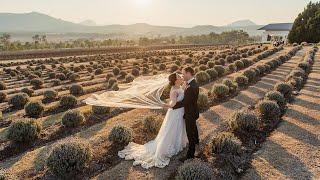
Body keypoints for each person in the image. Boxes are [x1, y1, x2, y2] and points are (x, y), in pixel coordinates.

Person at [117, 73, 188, 169]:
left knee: (177, 128)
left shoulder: (179, 87)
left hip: (179, 112)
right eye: (179, 77)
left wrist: (185, 87)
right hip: (175, 113)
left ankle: (177, 144)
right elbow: (173, 104)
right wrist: (163, 105)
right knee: (172, 130)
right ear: (175, 81)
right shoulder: (174, 90)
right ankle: (166, 148)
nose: (181, 77)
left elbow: (181, 93)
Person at [172, 67, 200, 160]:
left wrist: (173, 106)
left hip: (190, 113)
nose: (182, 76)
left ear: (188, 73)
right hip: (192, 111)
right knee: (193, 128)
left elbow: (185, 102)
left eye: (183, 74)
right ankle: (197, 142)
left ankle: (190, 155)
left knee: (190, 133)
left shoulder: (192, 86)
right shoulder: (191, 83)